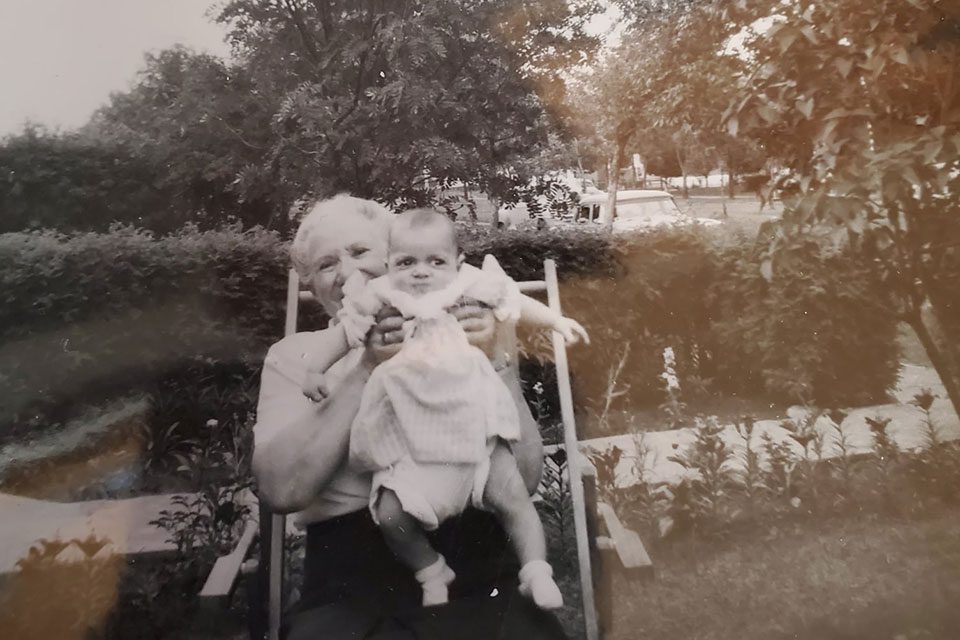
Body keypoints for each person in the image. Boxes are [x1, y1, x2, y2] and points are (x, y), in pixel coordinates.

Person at [253, 195, 572, 639]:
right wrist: (366, 368)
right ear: (311, 283)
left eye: (362, 252)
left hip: (476, 558)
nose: (347, 272)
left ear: (395, 259)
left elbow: (526, 477)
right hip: (351, 580)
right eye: (326, 264)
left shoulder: (467, 336)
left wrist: (497, 359)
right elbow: (280, 490)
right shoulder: (297, 357)